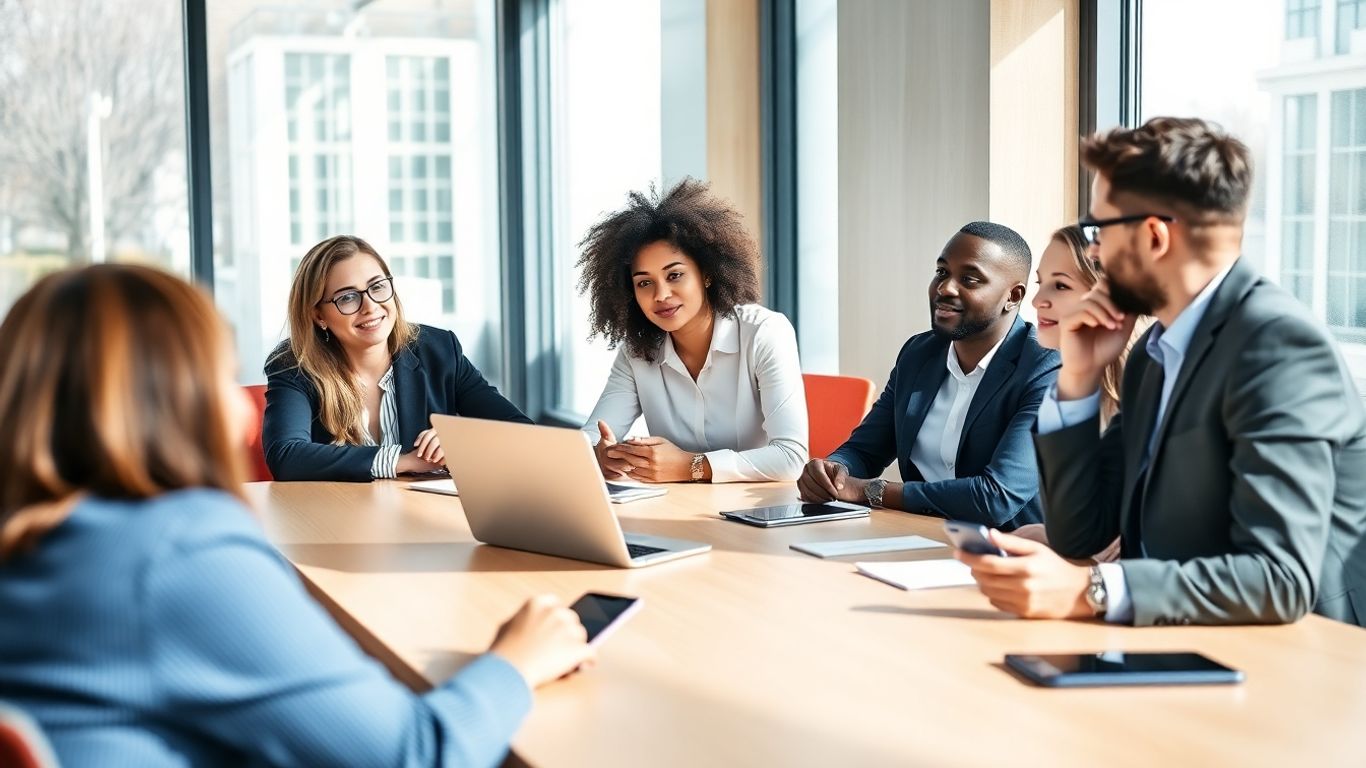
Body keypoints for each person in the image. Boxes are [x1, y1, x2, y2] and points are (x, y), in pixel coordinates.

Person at [0, 264, 594, 767]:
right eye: (215, 378)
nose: (237, 412)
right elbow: (415, 752)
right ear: (166, 400)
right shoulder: (178, 556)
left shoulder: (42, 542)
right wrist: (516, 660)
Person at [959, 117, 1366, 626]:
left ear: (1153, 236)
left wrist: (1094, 590)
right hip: (1179, 639)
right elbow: (1080, 534)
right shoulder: (1155, 352)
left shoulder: (1279, 346)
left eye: (1100, 229)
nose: (1093, 251)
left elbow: (1279, 579)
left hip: (1297, 661)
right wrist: (1079, 379)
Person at [796, 222, 1061, 530]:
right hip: (921, 539)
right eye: (941, 272)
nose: (945, 288)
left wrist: (871, 491)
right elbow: (865, 449)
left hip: (1010, 554)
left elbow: (997, 497)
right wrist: (833, 470)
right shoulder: (918, 354)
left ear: (1013, 297)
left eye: (970, 279)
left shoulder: (1047, 369)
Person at [577, 178, 808, 483]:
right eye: (644, 282)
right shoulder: (637, 350)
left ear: (707, 274)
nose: (660, 295)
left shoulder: (764, 333)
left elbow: (791, 457)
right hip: (679, 509)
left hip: (758, 512)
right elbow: (591, 439)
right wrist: (602, 455)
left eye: (674, 275)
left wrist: (692, 466)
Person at [264, 235, 530, 482]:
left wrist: (463, 440)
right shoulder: (294, 365)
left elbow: (523, 433)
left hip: (421, 517)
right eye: (347, 297)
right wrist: (401, 461)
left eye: (377, 287)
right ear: (318, 315)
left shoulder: (439, 350)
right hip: (336, 522)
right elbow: (286, 456)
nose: (370, 307)